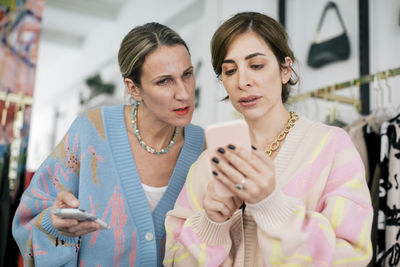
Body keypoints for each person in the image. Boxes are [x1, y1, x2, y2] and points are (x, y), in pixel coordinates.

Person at [163, 12, 373, 266]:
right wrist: (212, 224)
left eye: (257, 66)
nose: (243, 81)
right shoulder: (209, 164)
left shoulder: (333, 147)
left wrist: (272, 205)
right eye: (230, 71)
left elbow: (351, 257)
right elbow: (174, 260)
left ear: (285, 69)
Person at [12, 22, 204, 267]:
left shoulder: (204, 148)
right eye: (164, 81)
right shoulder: (90, 131)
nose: (184, 93)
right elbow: (28, 220)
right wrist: (54, 223)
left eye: (187, 74)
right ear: (133, 88)